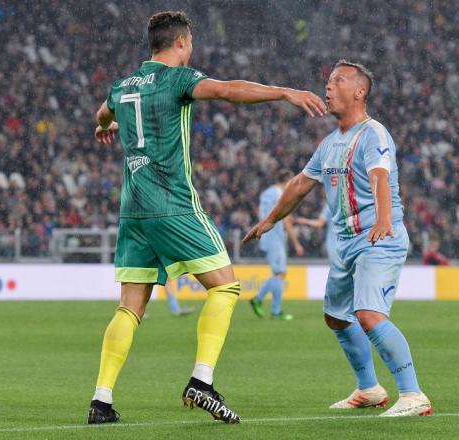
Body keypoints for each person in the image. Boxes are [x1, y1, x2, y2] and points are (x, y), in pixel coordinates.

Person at [89, 11, 326, 424]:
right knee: (226, 286)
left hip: (133, 211)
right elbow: (228, 90)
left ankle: (101, 401)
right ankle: (201, 381)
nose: (192, 48)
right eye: (191, 42)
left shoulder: (123, 85)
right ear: (180, 43)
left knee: (129, 308)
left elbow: (102, 114)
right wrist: (284, 92)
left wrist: (102, 127)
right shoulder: (178, 79)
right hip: (173, 204)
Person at [243, 60, 432, 417]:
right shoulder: (330, 143)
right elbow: (299, 185)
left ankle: (413, 395)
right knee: (336, 317)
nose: (328, 87)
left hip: (379, 237)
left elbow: (380, 176)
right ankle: (369, 389)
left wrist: (383, 219)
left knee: (369, 314)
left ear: (359, 91)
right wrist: (269, 220)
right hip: (346, 243)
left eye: (338, 80)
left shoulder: (374, 133)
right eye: (328, 81)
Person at [249, 169, 304, 321]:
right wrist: (296, 243)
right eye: (291, 181)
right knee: (280, 274)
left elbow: (260, 212)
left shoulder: (266, 193)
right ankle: (276, 311)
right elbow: (285, 220)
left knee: (277, 273)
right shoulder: (281, 194)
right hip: (275, 237)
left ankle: (258, 299)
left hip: (266, 237)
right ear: (286, 180)